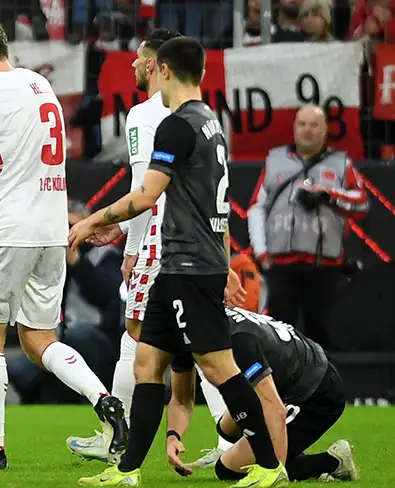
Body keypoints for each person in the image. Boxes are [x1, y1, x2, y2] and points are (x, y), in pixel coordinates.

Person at [69, 36, 287, 487]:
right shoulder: (211, 122)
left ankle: (269, 465)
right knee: (148, 364)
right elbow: (216, 204)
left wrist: (91, 221)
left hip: (189, 266)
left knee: (218, 367)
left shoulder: (176, 126)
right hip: (179, 265)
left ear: (162, 69)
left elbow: (147, 194)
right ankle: (127, 471)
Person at [0, 18, 128, 471]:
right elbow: (21, 171)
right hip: (51, 233)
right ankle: (105, 399)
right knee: (39, 340)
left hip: (6, 234)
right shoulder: (39, 87)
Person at [166, 307, 359, 483]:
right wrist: (173, 436)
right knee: (227, 429)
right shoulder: (191, 331)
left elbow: (274, 408)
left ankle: (333, 461)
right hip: (289, 379)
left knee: (229, 470)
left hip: (315, 394)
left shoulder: (238, 342)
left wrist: (273, 471)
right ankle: (287, 453)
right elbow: (181, 399)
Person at [246, 106, 369, 348]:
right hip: (280, 266)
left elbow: (362, 205)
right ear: (294, 128)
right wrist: (261, 253)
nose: (307, 130)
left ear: (325, 130)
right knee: (279, 340)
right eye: (302, 124)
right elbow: (256, 208)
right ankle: (281, 385)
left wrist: (329, 195)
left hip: (325, 267)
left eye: (314, 125)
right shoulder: (274, 160)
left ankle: (324, 385)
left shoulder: (341, 163)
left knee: (322, 338)